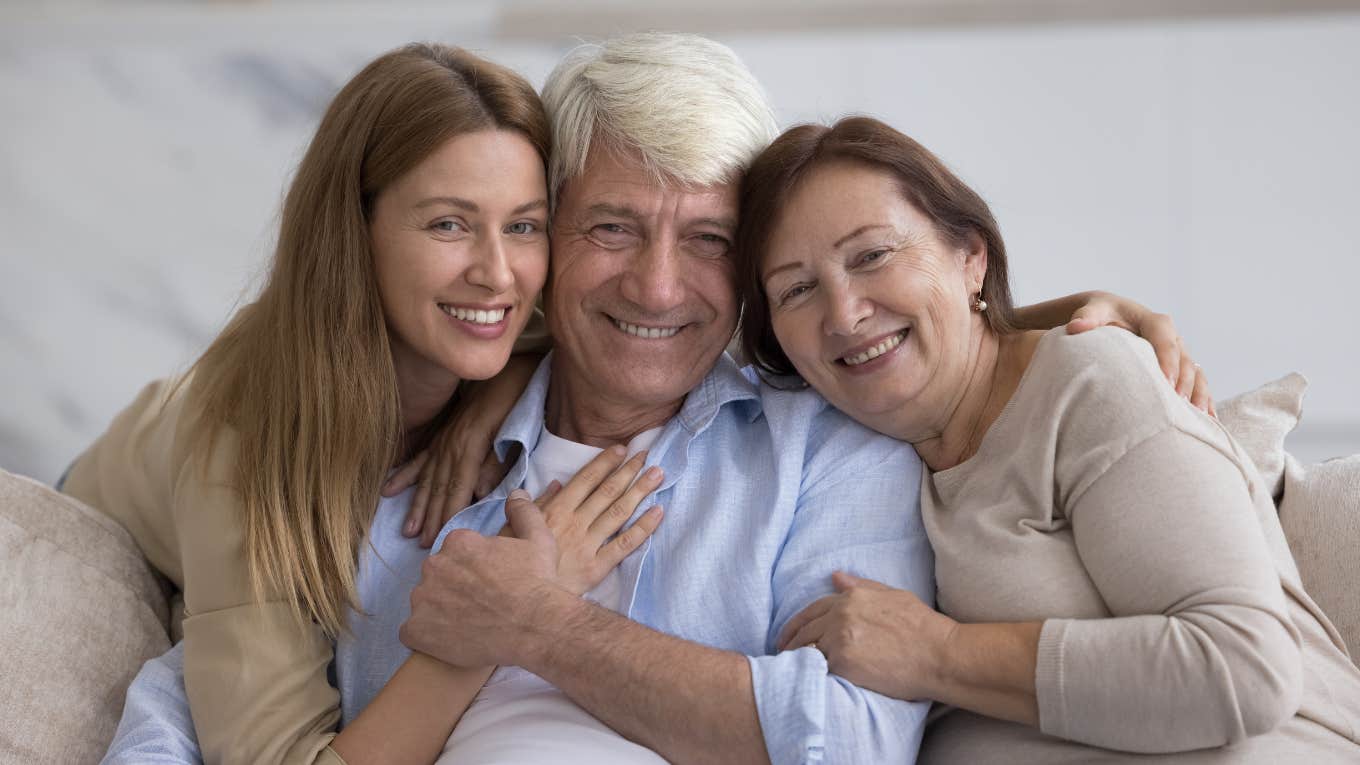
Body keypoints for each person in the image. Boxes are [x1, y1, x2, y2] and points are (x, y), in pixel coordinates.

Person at [369, 33, 1207, 764]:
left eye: (710, 240)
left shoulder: (830, 443)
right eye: (613, 227)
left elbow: (846, 742)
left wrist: (539, 623)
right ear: (543, 230)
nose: (658, 287)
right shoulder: (422, 437)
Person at [65, 43, 663, 765]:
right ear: (356, 230)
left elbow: (605, 330)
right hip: (96, 534)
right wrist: (500, 620)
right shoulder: (243, 448)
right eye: (448, 223)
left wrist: (501, 389)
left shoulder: (506, 328)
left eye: (524, 225)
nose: (498, 273)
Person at [734, 115, 1360, 762]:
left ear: (970, 255)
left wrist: (934, 654)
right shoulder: (850, 442)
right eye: (798, 289)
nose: (842, 313)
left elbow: (1246, 667)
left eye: (872, 255)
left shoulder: (1088, 382)